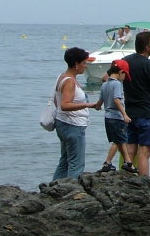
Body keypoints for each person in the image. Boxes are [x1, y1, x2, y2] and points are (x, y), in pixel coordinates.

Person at [52, 47, 102, 180]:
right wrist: (88, 105)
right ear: (76, 64)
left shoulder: (62, 77)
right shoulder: (69, 81)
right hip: (72, 126)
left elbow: (56, 101)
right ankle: (73, 192)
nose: (85, 67)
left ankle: (54, 189)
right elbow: (64, 105)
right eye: (84, 63)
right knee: (76, 164)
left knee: (64, 162)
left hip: (62, 123)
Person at [123, 30, 150, 176]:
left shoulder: (126, 61)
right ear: (146, 47)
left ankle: (126, 179)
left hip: (130, 112)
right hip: (146, 112)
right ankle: (143, 182)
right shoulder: (149, 65)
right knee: (145, 153)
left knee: (131, 148)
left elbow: (106, 77)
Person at [98, 59, 137, 174]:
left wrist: (96, 106)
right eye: (125, 74)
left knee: (121, 140)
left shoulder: (105, 84)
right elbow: (116, 100)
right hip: (116, 116)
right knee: (117, 140)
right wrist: (124, 114)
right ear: (120, 72)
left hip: (108, 116)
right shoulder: (117, 84)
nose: (125, 77)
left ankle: (128, 162)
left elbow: (100, 101)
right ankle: (108, 162)